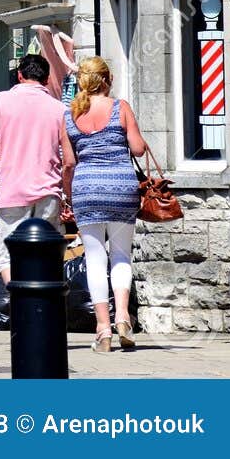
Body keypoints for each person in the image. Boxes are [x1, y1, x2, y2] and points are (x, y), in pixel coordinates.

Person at [61, 57, 147, 353]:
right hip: (121, 187)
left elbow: (69, 163)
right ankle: (123, 318)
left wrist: (69, 195)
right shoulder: (120, 108)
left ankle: (103, 329)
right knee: (121, 255)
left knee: (95, 258)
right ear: (107, 79)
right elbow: (138, 149)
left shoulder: (69, 115)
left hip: (86, 188)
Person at [0, 53, 66, 285]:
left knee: (6, 255)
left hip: (12, 191)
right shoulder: (59, 108)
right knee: (47, 251)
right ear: (47, 79)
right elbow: (68, 158)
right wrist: (68, 195)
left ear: (19, 76)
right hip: (48, 191)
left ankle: (17, 298)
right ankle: (42, 300)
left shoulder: (1, 101)